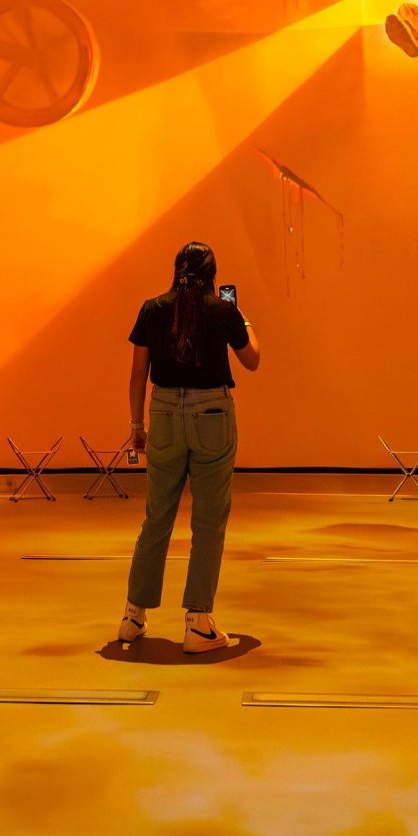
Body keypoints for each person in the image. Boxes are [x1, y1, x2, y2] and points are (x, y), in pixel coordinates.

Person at [119, 242, 260, 654]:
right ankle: (198, 624)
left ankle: (133, 615)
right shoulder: (223, 310)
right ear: (212, 274)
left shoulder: (153, 308)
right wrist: (243, 317)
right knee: (209, 521)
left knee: (156, 517)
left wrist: (136, 424)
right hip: (213, 415)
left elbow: (137, 373)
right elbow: (253, 360)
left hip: (162, 412)